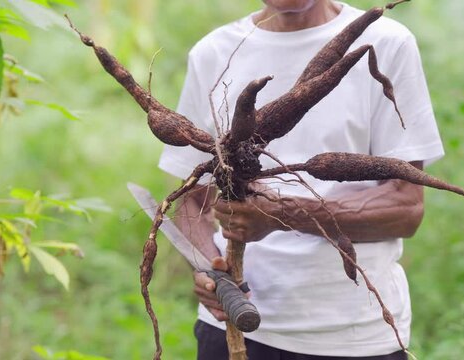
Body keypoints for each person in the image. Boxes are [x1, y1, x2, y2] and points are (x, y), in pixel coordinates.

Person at [158, 1, 444, 359]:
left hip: (352, 338)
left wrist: (283, 213)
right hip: (232, 326)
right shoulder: (213, 52)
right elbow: (191, 199)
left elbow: (405, 208)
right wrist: (207, 267)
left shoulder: (388, 43)